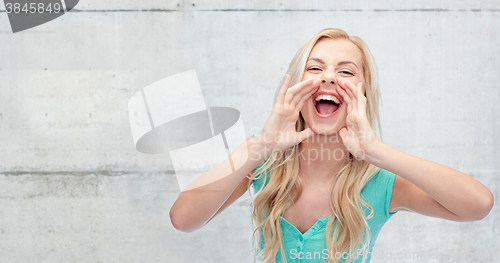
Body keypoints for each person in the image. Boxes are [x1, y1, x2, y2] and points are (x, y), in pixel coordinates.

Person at [169, 28, 494, 263]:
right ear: (296, 87)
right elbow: (183, 219)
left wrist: (376, 150)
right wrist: (261, 144)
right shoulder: (262, 165)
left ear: (363, 94)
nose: (329, 78)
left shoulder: (380, 182)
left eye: (345, 71)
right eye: (314, 68)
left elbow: (477, 205)